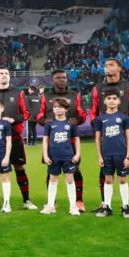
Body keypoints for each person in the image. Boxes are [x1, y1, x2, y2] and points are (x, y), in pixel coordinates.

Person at [91, 58, 129, 215]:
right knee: (104, 172)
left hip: (125, 138)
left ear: (119, 68)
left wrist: (127, 128)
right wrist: (98, 128)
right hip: (107, 139)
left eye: (111, 65)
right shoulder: (98, 88)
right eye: (106, 65)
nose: (107, 68)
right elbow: (93, 111)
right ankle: (105, 204)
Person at [0, 67, 37, 209]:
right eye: (1, 73)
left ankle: (26, 201)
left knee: (19, 167)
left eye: (6, 73)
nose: (4, 75)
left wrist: (13, 119)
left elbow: (27, 114)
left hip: (14, 137)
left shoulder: (18, 93)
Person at [36, 69, 87, 211]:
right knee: (51, 172)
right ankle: (52, 203)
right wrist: (44, 120)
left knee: (75, 171)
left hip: (70, 142)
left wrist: (76, 119)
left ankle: (78, 201)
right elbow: (39, 114)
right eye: (58, 78)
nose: (61, 80)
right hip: (53, 142)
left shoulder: (74, 95)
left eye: (63, 78)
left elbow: (82, 113)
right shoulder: (46, 96)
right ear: (52, 80)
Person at [92, 90, 129, 218]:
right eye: (109, 98)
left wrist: (128, 156)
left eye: (114, 98)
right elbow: (98, 138)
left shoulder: (124, 118)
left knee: (122, 180)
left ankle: (125, 206)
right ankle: (107, 206)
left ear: (119, 101)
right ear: (104, 101)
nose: (111, 100)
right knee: (108, 179)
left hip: (121, 154)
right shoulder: (100, 119)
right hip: (106, 155)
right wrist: (99, 156)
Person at [40, 99, 82, 216]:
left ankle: (73, 207)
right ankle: (50, 205)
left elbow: (77, 139)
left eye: (60, 107)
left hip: (68, 156)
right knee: (53, 179)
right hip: (53, 157)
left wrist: (77, 153)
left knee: (69, 179)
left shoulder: (71, 124)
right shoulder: (49, 124)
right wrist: (45, 155)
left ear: (66, 109)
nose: (57, 109)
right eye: (55, 107)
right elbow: (45, 140)